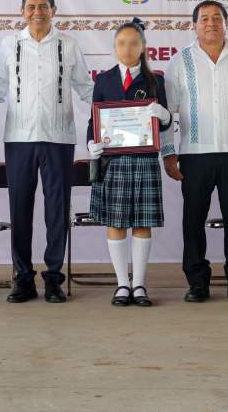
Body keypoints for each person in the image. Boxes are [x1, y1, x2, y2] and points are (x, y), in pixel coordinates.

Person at [0, 0, 94, 303]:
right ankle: (22, 278)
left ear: (53, 10)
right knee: (20, 208)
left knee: (57, 210)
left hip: (58, 138)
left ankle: (53, 279)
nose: (37, 12)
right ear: (22, 11)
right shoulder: (10, 44)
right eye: (31, 7)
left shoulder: (68, 45)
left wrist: (115, 105)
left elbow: (86, 88)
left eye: (43, 6)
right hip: (19, 138)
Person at [161, 0, 228, 304]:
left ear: (226, 23)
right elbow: (167, 111)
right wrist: (168, 152)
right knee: (193, 220)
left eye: (216, 18)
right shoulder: (180, 61)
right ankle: (197, 283)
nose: (211, 23)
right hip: (194, 155)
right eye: (204, 18)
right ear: (194, 25)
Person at [86, 18, 171, 307]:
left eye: (134, 42)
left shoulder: (155, 80)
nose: (128, 47)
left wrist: (164, 115)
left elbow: (168, 123)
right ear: (114, 47)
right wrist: (91, 142)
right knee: (116, 222)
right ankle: (122, 284)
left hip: (145, 160)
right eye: (122, 42)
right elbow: (93, 119)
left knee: (142, 223)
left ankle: (139, 285)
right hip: (113, 161)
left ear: (143, 47)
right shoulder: (104, 79)